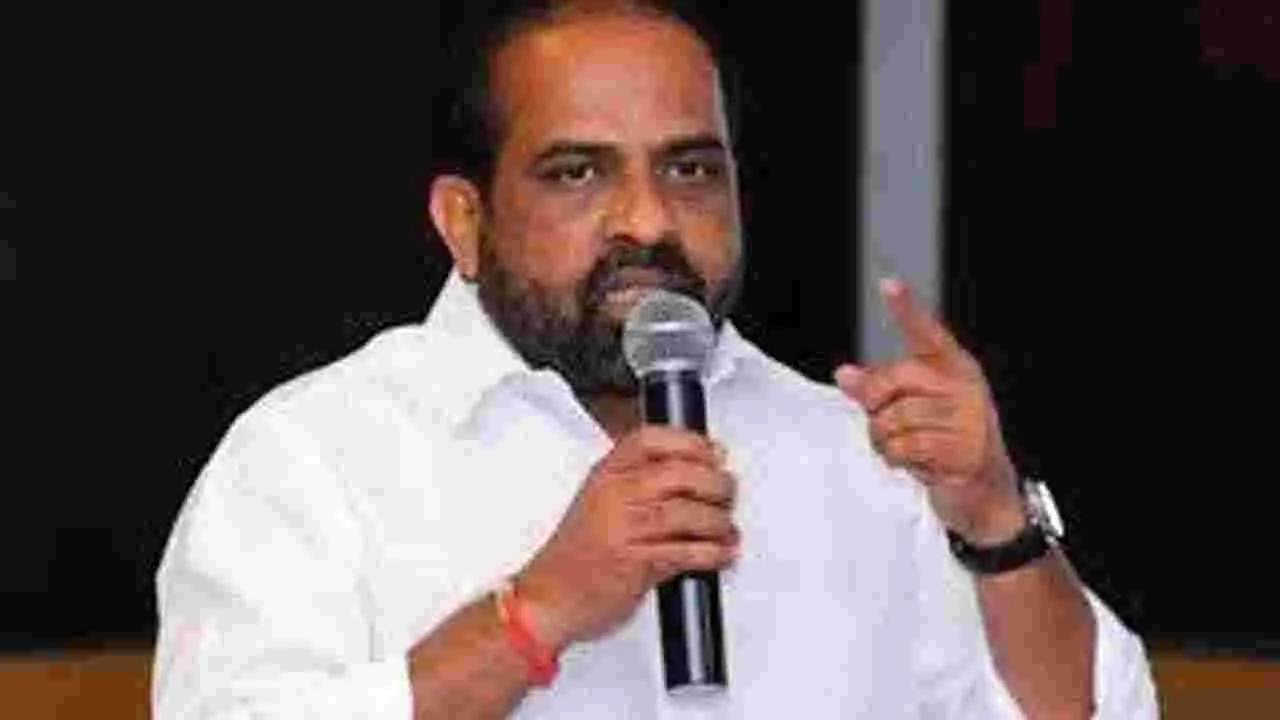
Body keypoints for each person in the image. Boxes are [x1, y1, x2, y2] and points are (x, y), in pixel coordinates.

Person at [151, 2, 1159, 717]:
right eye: (577, 173)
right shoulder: (311, 460)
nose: (648, 220)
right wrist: (535, 615)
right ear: (463, 220)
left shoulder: (857, 456)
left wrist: (994, 523)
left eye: (689, 169)